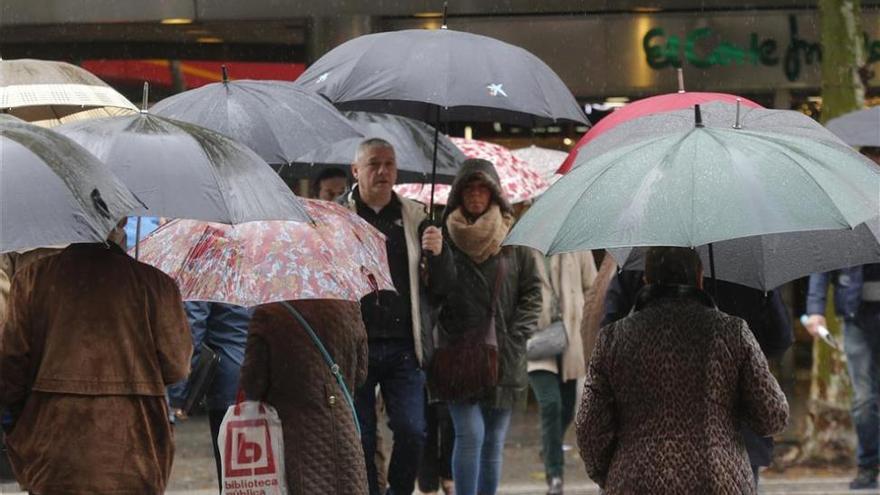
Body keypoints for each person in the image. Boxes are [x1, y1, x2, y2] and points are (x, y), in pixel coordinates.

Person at [576, 247, 789, 494]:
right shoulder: (733, 332)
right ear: (700, 278)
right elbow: (773, 416)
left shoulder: (612, 340)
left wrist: (610, 473)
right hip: (719, 479)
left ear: (646, 278)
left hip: (634, 480)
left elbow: (589, 427)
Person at [0, 228, 192, 494]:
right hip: (136, 449)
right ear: (119, 228)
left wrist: (20, 424)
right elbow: (176, 366)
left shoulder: (32, 279)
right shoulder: (156, 284)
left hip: (51, 450)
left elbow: (11, 367)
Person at [340, 138, 456, 495]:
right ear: (356, 171)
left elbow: (443, 286)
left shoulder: (416, 217)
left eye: (389, 164)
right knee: (360, 436)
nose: (383, 172)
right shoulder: (339, 217)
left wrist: (437, 254)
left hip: (404, 344)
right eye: (374, 164)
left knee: (413, 430)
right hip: (355, 343)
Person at [436, 158, 542, 495]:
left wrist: (515, 336)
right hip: (458, 352)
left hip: (504, 353)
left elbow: (532, 293)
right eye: (469, 187)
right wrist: (433, 256)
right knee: (470, 434)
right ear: (458, 194)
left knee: (493, 440)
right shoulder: (442, 237)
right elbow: (432, 293)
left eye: (483, 188)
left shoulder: (515, 239)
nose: (476, 195)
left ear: (495, 194)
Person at [803, 145, 880, 489]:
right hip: (857, 314)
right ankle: (868, 465)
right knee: (864, 398)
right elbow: (822, 262)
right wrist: (816, 309)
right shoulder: (844, 211)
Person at [239, 299, 369, 494]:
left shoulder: (269, 312)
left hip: (294, 438)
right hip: (343, 433)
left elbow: (253, 382)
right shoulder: (348, 306)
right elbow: (360, 374)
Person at [527, 250, 596, 495]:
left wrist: (583, 318)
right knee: (551, 405)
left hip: (570, 339)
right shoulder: (528, 249)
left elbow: (592, 287)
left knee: (566, 407)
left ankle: (550, 445)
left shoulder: (579, 248)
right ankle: (555, 476)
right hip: (538, 340)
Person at [167, 302, 253, 489]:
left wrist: (179, 394)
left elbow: (192, 329)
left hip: (229, 380)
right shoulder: (276, 278)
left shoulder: (215, 279)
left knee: (233, 471)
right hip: (265, 376)